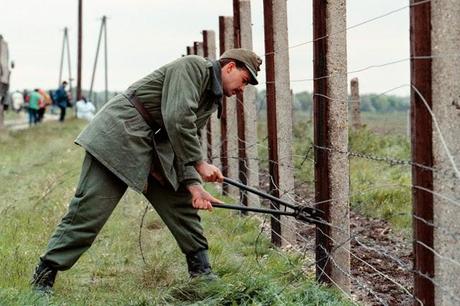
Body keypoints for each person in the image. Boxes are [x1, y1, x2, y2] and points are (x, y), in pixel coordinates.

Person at [31, 48, 262, 293]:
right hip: (120, 133)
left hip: (152, 146)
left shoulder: (211, 97)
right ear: (229, 67)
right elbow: (177, 118)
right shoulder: (193, 67)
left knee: (182, 203)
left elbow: (184, 138)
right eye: (244, 81)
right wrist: (200, 163)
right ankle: (45, 275)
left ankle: (202, 273)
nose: (241, 89)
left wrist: (194, 186)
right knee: (90, 210)